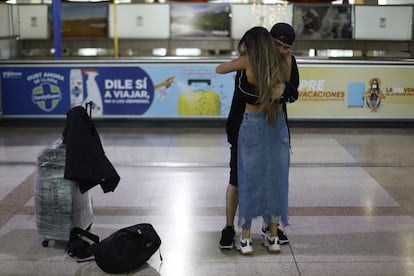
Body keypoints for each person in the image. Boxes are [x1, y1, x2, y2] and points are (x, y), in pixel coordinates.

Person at [218, 23, 299, 250]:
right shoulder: (250, 59)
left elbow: (293, 91)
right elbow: (242, 92)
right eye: (278, 45)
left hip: (274, 125)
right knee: (237, 179)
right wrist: (270, 93)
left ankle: (269, 227)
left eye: (287, 47)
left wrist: (281, 92)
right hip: (242, 128)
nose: (282, 50)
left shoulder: (286, 60)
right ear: (267, 42)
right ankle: (229, 228)